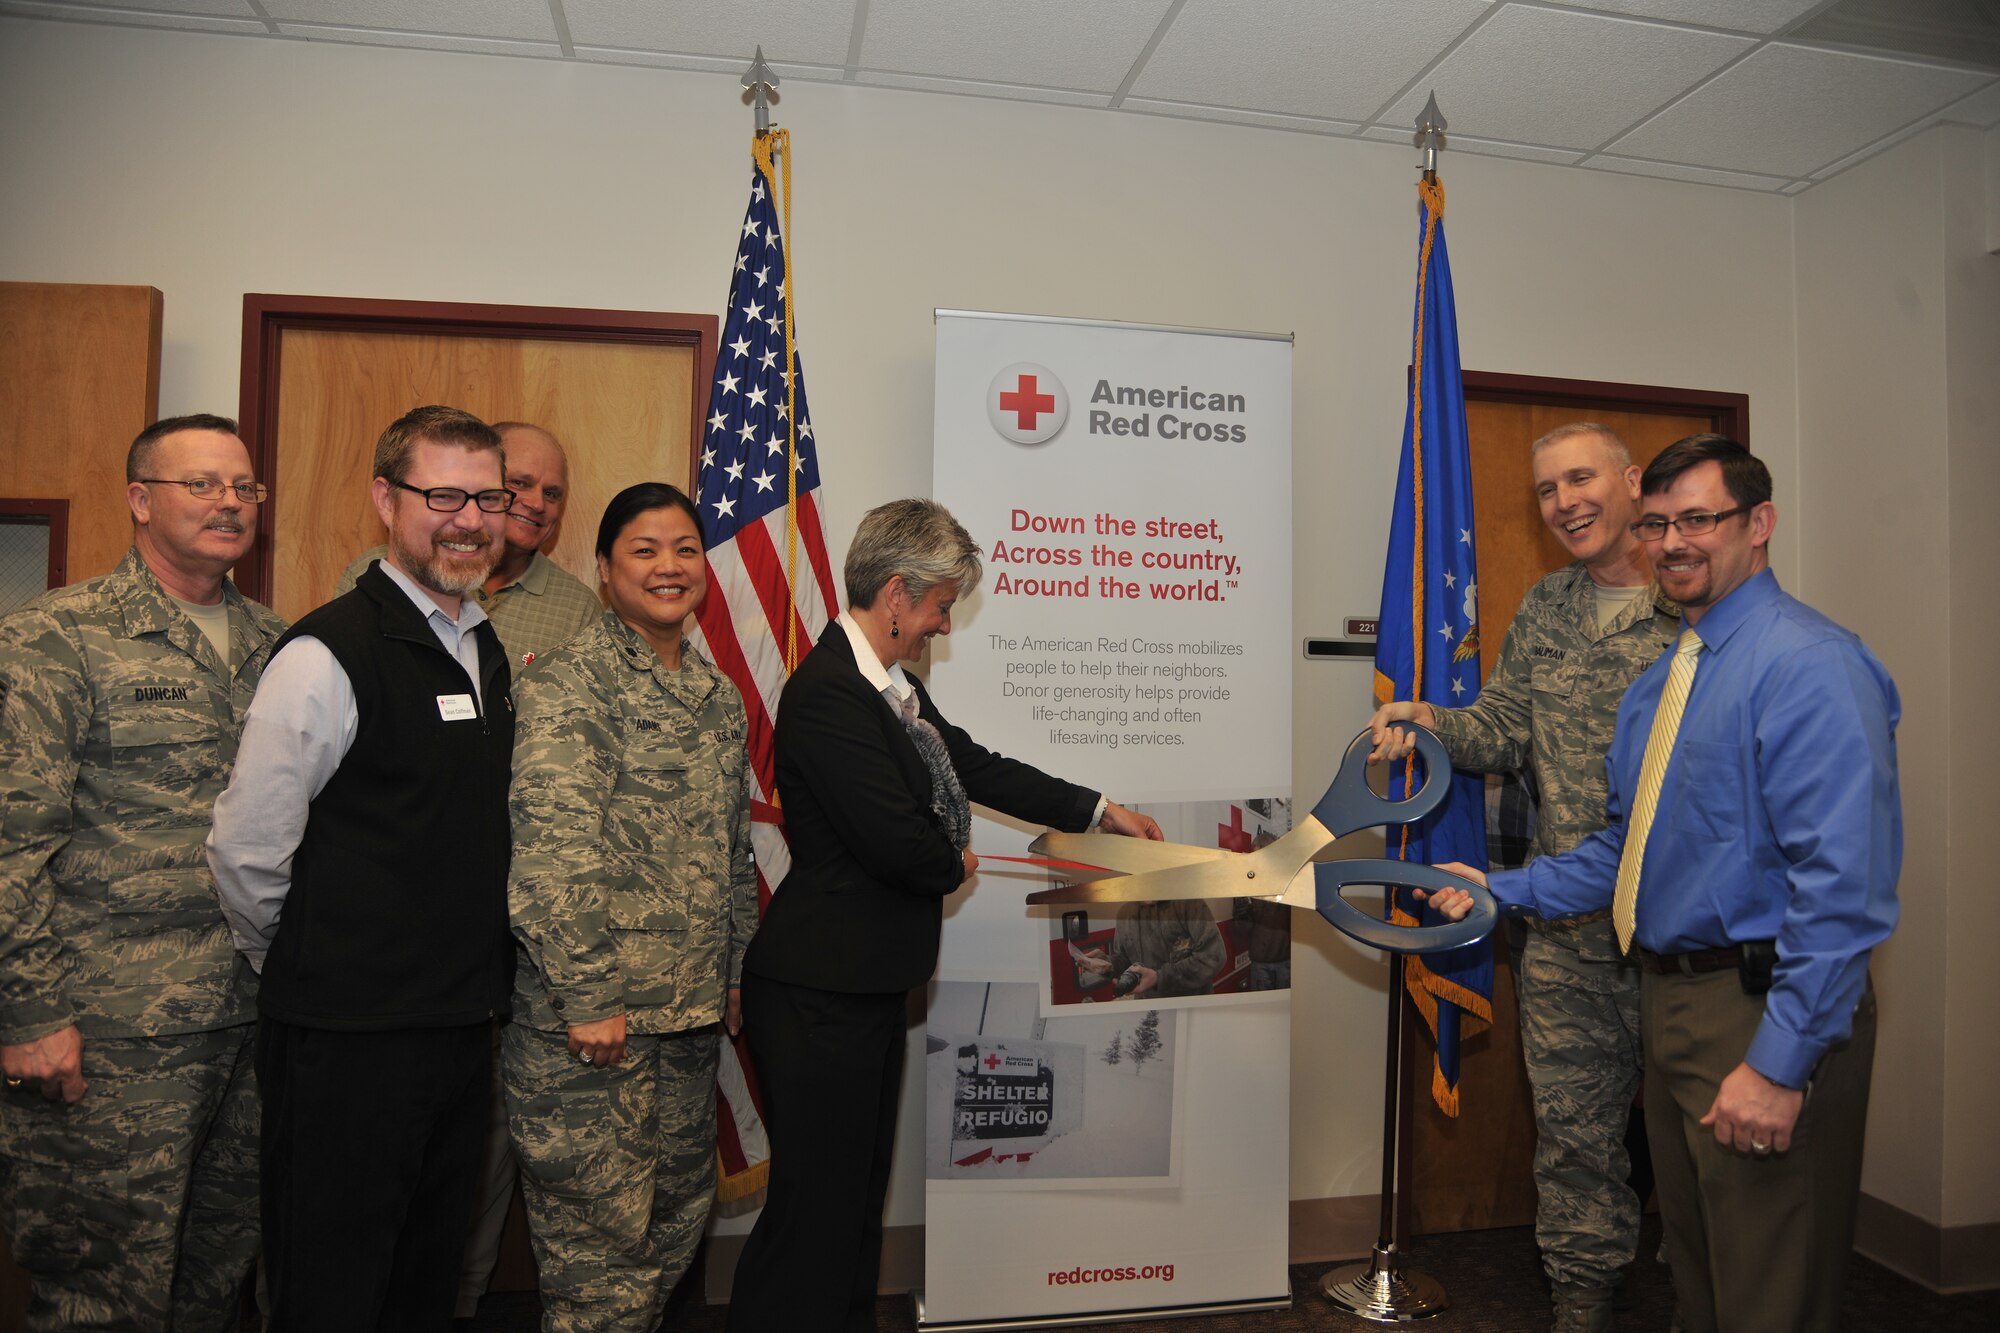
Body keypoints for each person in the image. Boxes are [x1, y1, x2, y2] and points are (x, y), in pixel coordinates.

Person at [1420, 435, 1899, 1333]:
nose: (1674, 542)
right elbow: (1622, 850)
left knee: (1768, 1287)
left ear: (1759, 525)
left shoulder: (1809, 665)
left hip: (1758, 1003)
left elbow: (1842, 891)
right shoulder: (1668, 682)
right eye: (1661, 525)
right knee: (1709, 1277)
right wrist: (1498, 888)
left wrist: (1780, 1062)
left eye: (1698, 521)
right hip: (1669, 996)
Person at [724, 498, 1163, 1332]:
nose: (943, 620)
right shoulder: (826, 692)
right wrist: (948, 860)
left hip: (864, 983)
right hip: (819, 990)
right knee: (813, 1215)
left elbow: (976, 767)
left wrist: (1099, 807)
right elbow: (898, 839)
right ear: (897, 593)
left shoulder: (891, 685)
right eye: (940, 601)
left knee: (852, 1202)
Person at [207, 405, 518, 1330]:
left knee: (423, 1283)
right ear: (386, 498)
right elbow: (247, 849)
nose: (468, 518)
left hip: (460, 1029)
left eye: (487, 496)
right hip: (347, 1040)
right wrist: (309, 962)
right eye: (444, 494)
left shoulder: (481, 646)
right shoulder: (324, 653)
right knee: (332, 1290)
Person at [1368, 422, 1679, 1331]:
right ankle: (1582, 1302)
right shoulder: (1548, 604)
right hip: (1567, 932)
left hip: (1683, 933)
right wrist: (1429, 715)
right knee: (1576, 1140)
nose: (1565, 502)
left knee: (1703, 1143)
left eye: (1580, 479)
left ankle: (1711, 1294)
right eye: (1546, 490)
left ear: (1630, 483)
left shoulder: (1699, 605)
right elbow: (1502, 725)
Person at [0, 414, 282, 1331]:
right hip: (111, 1032)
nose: (229, 502)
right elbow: (10, 841)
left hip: (250, 1019)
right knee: (100, 1296)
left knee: (215, 1277)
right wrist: (31, 1013)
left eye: (243, 486)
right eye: (201, 484)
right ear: (139, 499)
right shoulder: (57, 637)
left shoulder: (280, 646)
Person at [336, 419, 598, 1321]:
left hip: (523, 958)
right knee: (373, 1197)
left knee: (475, 1177)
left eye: (544, 493)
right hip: (396, 967)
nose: (521, 505)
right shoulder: (368, 608)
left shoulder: (577, 613)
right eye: (504, 485)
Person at [504, 482, 756, 1332]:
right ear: (605, 570)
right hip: (593, 1033)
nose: (669, 566)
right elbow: (551, 851)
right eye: (644, 550)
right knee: (599, 1263)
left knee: (670, 1231)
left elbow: (730, 852)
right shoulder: (572, 685)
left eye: (685, 548)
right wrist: (589, 994)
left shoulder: (719, 699)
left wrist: (733, 972)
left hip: (684, 1018)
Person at [338, 420, 600, 669]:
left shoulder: (578, 609)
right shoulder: (376, 571)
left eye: (551, 494)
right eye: (519, 483)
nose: (537, 504)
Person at [1076, 900, 1227, 999]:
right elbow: (1124, 960)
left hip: (1190, 1008)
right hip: (1148, 1011)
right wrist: (1107, 965)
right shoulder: (1125, 913)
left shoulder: (1189, 904)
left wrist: (1159, 978)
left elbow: (1213, 957)